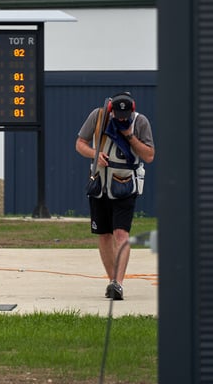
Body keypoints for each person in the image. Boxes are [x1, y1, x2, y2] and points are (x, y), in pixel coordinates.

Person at [75, 91, 155, 301]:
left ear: (133, 110)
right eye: (118, 115)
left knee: (121, 234)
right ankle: (112, 281)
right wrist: (95, 154)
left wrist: (129, 135)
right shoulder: (98, 116)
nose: (121, 119)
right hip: (99, 183)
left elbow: (149, 155)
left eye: (125, 115)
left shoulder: (141, 122)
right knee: (104, 235)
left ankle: (118, 283)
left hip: (126, 186)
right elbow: (80, 144)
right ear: (111, 110)